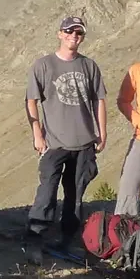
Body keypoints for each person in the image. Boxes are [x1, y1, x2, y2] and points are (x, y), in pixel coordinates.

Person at [24, 15, 108, 262]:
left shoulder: (89, 66)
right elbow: (31, 101)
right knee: (46, 192)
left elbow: (98, 101)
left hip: (84, 143)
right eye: (69, 31)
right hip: (54, 143)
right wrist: (37, 133)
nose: (74, 36)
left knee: (75, 195)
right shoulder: (43, 65)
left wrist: (102, 132)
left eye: (79, 33)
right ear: (60, 33)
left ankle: (67, 239)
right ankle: (35, 239)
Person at [113, 28, 140, 219]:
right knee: (128, 189)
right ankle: (123, 235)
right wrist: (137, 120)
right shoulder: (138, 70)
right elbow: (123, 100)